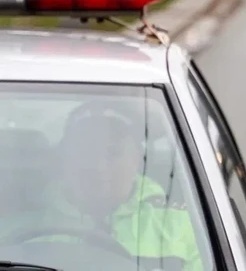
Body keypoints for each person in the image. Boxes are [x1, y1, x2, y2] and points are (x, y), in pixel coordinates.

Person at [31, 106, 203, 270]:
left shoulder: (186, 229)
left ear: (137, 159)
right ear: (64, 159)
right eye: (86, 152)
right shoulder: (19, 230)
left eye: (114, 152)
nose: (99, 166)